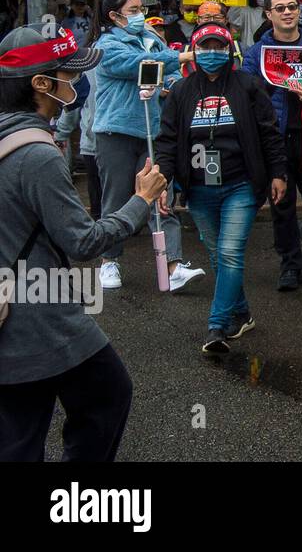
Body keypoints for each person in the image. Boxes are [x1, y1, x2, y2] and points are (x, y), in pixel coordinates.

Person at [0, 23, 170, 461]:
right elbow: (82, 241)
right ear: (41, 84)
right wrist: (140, 200)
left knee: (20, 431)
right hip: (39, 318)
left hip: (14, 313)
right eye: (68, 76)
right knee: (107, 395)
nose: (76, 84)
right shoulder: (36, 154)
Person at [154, 25, 288, 354]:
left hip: (241, 184)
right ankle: (241, 313)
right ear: (194, 50)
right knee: (218, 256)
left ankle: (217, 326)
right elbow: (168, 141)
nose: (211, 52)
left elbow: (270, 133)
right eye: (205, 46)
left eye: (218, 46)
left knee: (229, 253)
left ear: (229, 50)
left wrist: (278, 173)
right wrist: (163, 181)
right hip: (198, 188)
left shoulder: (248, 86)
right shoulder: (182, 91)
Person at [90, 0, 205, 292]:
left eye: (141, 8)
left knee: (160, 195)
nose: (140, 14)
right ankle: (109, 260)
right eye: (133, 10)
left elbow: (164, 75)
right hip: (116, 132)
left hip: (152, 131)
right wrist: (181, 55)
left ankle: (173, 265)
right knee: (116, 199)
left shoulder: (152, 40)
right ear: (114, 16)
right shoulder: (107, 45)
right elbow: (140, 65)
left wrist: (172, 84)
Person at [243, 0, 302, 290]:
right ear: (269, 14)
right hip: (276, 140)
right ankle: (290, 264)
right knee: (282, 204)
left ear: (299, 11)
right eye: (279, 8)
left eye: (291, 7)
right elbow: (247, 96)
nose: (287, 12)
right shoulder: (257, 53)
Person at [55, 65, 101, 219]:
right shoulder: (89, 67)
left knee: (100, 197)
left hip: (95, 140)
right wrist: (60, 134)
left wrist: (59, 135)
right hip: (93, 142)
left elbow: (72, 105)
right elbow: (73, 103)